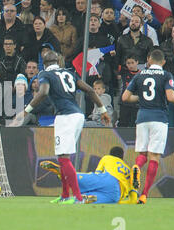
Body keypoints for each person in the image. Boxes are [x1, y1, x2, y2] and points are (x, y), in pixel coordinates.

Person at [19, 50, 111, 204]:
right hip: (78, 115)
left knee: (63, 158)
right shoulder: (69, 73)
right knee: (63, 157)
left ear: (44, 63)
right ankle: (65, 195)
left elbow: (43, 92)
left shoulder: (45, 74)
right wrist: (103, 110)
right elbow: (89, 89)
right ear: (58, 61)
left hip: (66, 117)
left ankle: (78, 197)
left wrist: (26, 110)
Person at [121, 49, 174, 204]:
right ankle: (144, 194)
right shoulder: (166, 75)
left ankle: (137, 166)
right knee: (154, 156)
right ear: (163, 62)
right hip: (159, 118)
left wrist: (142, 99)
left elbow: (125, 97)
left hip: (142, 117)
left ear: (149, 60)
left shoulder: (139, 75)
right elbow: (171, 97)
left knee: (142, 154)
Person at [41, 146, 141, 204]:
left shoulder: (107, 158)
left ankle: (62, 172)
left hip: (108, 179)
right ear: (122, 157)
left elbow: (97, 173)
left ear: (111, 154)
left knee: (77, 178)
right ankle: (85, 198)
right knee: (87, 199)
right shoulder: (129, 170)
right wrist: (119, 201)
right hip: (115, 195)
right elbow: (133, 200)